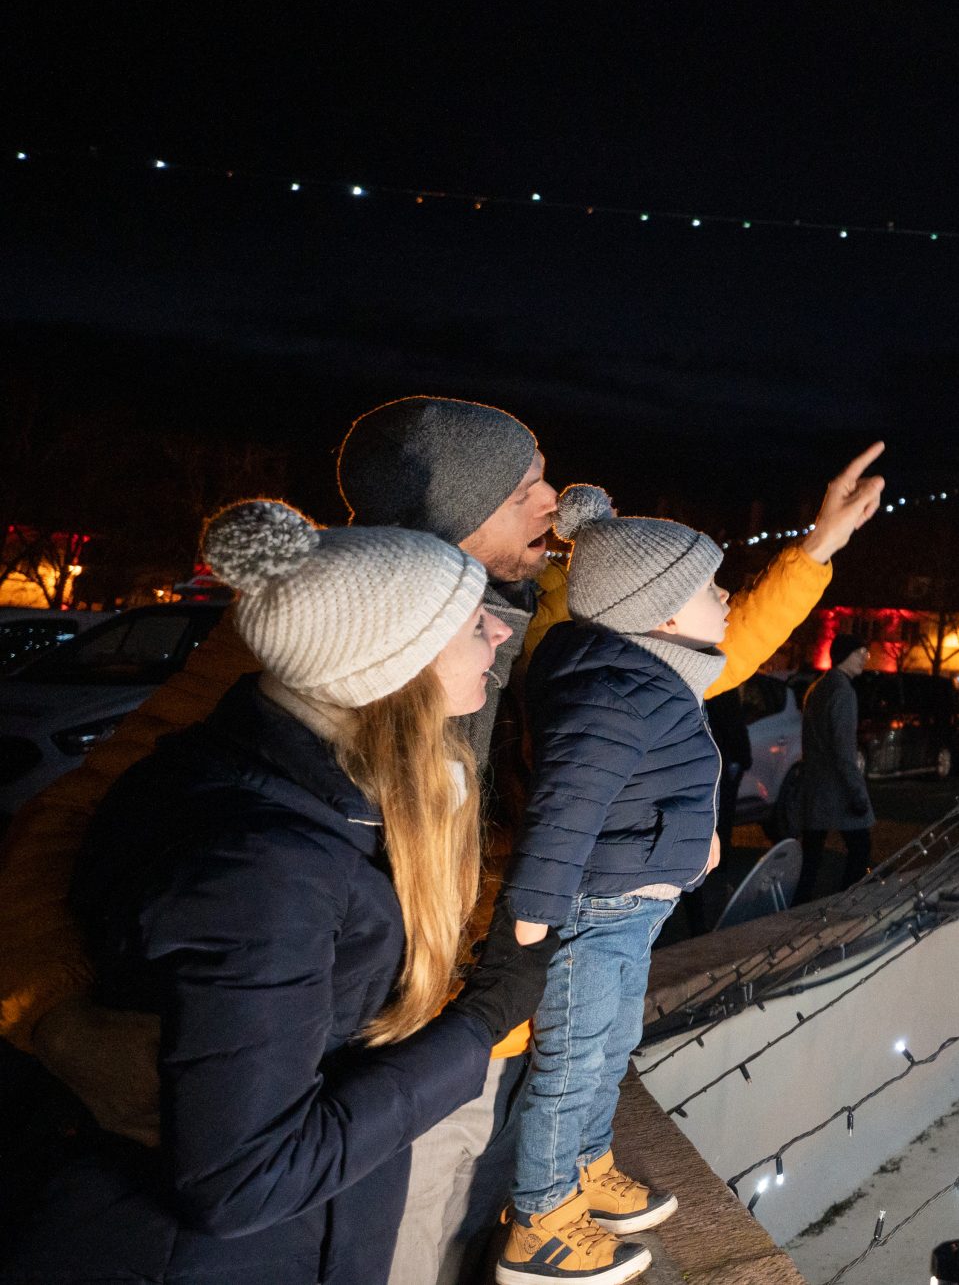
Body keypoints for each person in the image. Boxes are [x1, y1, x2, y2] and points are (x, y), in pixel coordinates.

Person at [0, 397, 886, 1285]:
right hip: (391, 1060)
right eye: (522, 487)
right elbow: (78, 820)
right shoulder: (311, 640)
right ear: (448, 512)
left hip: (510, 1021)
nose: (553, 501)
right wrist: (58, 1016)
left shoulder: (540, 613)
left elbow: (679, 646)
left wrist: (815, 551)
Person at [0, 502, 553, 1285]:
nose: (498, 633)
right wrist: (482, 1020)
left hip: (298, 1236)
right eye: (473, 624)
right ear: (392, 669)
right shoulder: (264, 869)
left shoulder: (320, 789)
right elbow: (243, 1180)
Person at [492, 487, 730, 1283]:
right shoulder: (615, 687)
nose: (726, 596)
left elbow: (658, 782)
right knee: (571, 1059)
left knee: (609, 1046)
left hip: (632, 904)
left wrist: (696, 838)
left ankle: (585, 1169)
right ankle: (540, 1223)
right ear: (661, 610)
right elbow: (568, 804)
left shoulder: (648, 675)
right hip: (597, 905)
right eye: (710, 586)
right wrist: (535, 907)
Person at [791, 657, 874, 905]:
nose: (865, 659)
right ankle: (844, 903)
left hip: (815, 783)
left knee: (812, 854)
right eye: (860, 653)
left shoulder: (818, 687)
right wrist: (857, 793)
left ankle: (798, 906)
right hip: (838, 786)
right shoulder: (842, 691)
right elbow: (844, 749)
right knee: (860, 846)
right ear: (846, 656)